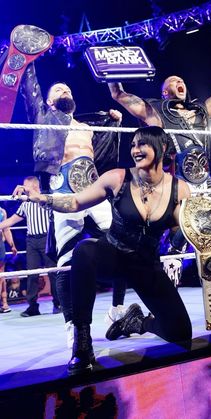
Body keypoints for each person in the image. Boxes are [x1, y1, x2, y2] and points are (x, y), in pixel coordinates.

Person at [14, 126, 193, 375]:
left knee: (181, 333)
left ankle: (136, 322)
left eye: (143, 144)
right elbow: (76, 201)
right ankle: (82, 343)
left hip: (146, 265)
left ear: (162, 147)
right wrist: (40, 198)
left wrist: (198, 230)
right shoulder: (118, 177)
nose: (136, 149)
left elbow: (177, 228)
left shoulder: (180, 189)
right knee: (84, 250)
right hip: (114, 255)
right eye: (133, 145)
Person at [108, 49, 211, 315]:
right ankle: (162, 306)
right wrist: (110, 72)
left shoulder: (201, 112)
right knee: (176, 243)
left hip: (206, 183)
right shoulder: (157, 113)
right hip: (179, 184)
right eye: (173, 82)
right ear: (165, 91)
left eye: (181, 81)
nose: (180, 83)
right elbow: (120, 96)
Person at [20, 63, 127, 346]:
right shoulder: (44, 119)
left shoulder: (87, 127)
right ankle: (72, 326)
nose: (64, 89)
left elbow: (103, 155)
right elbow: (30, 94)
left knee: (123, 244)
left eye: (67, 88)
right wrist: (29, 61)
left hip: (92, 188)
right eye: (58, 89)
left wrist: (114, 123)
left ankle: (116, 311)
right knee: (67, 261)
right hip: (63, 188)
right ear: (49, 100)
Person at [0, 176, 60, 316]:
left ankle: (58, 303)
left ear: (34, 187)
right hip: (31, 241)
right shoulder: (26, 204)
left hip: (46, 238)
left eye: (25, 187)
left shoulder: (45, 199)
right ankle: (33, 306)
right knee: (31, 273)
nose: (23, 190)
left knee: (53, 272)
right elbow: (12, 220)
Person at [0, 207, 17, 313]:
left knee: (1, 274)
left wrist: (12, 245)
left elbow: (6, 229)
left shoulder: (2, 211)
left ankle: (5, 303)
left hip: (0, 244)